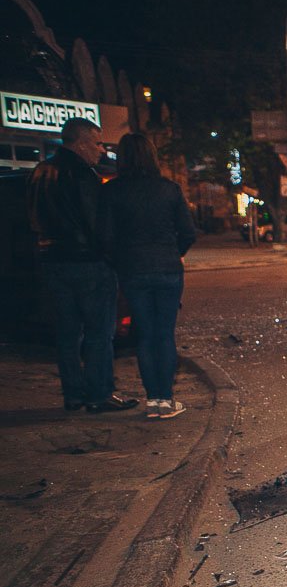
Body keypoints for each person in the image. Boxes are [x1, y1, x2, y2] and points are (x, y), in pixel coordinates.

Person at [27, 118, 138, 413]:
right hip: (87, 262)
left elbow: (33, 219)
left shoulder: (41, 172)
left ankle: (73, 393)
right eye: (97, 143)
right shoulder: (81, 174)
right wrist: (111, 257)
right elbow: (95, 224)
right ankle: (99, 393)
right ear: (81, 142)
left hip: (53, 262)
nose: (101, 150)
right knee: (99, 332)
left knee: (67, 332)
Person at [99, 133, 195, 419]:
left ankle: (153, 400)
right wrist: (173, 252)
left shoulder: (112, 191)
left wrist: (121, 261)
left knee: (144, 334)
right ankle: (165, 399)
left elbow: (103, 237)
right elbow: (188, 232)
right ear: (153, 156)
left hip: (133, 270)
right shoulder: (169, 189)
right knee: (164, 334)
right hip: (167, 267)